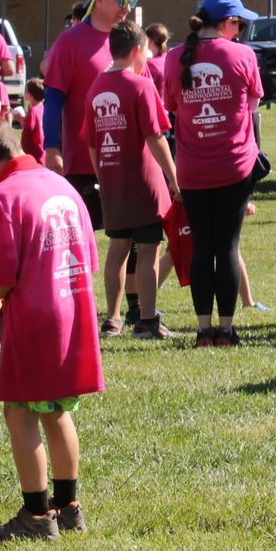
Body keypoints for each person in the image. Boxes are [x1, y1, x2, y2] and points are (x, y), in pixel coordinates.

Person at [0, 113, 103, 543]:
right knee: (56, 411)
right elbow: (88, 260)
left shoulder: (2, 196)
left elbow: (0, 278)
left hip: (35, 319)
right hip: (72, 312)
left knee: (19, 412)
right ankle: (69, 505)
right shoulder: (62, 185)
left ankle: (37, 515)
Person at [163, 0, 263, 346]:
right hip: (234, 165)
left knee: (202, 248)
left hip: (191, 168)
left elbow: (172, 107)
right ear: (226, 23)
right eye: (238, 22)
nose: (240, 29)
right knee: (228, 246)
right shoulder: (243, 55)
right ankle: (227, 328)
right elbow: (251, 107)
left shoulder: (173, 58)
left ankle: (203, 330)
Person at [85, 22, 181, 340]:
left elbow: (91, 142)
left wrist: (103, 177)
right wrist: (174, 179)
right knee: (149, 250)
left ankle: (112, 319)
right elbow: (156, 137)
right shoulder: (141, 85)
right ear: (138, 51)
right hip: (143, 182)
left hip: (112, 181)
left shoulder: (96, 87)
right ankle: (147, 320)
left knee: (117, 249)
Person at [40, 0, 139, 229]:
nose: (127, 8)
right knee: (80, 236)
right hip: (84, 161)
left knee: (130, 239)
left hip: (126, 159)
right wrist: (51, 147)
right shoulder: (70, 42)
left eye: (132, 2)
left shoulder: (128, 40)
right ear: (99, 1)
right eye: (122, 1)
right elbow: (52, 98)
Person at [18, 78, 46, 162]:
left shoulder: (33, 111)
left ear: (29, 95)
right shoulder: (43, 108)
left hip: (33, 155)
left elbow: (28, 129)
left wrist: (20, 119)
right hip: (43, 153)